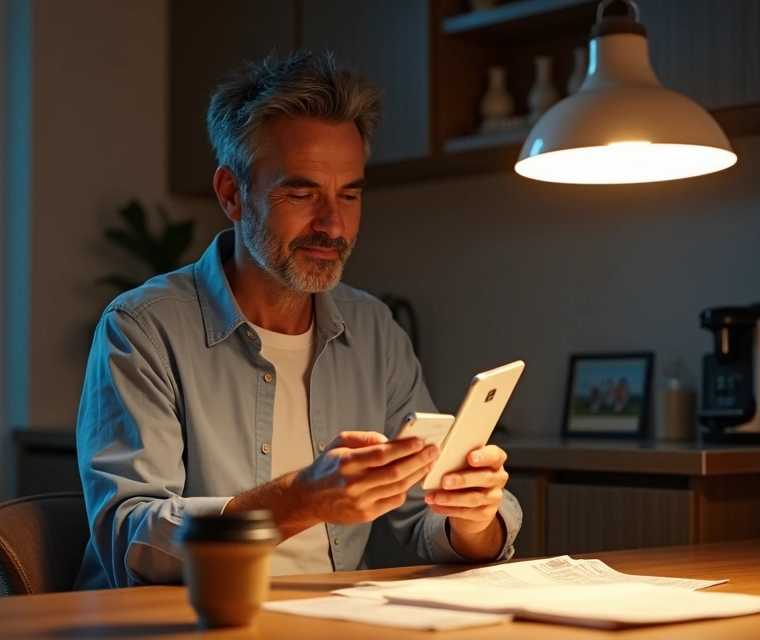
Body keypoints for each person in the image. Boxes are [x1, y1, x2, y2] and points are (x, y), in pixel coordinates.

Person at [74, 51, 522, 589]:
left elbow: (425, 519)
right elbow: (131, 539)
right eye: (302, 192)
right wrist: (297, 500)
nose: (333, 224)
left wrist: (471, 519)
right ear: (232, 194)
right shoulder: (142, 329)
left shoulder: (374, 331)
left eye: (349, 194)